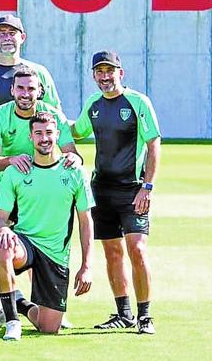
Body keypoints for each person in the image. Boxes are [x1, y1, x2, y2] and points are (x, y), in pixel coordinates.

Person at [71, 51, 161, 334]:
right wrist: (52, 117)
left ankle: (145, 315)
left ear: (121, 73)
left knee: (137, 249)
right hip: (101, 190)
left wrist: (147, 186)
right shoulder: (93, 104)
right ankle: (124, 313)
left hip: (132, 190)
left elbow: (154, 143)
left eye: (110, 71)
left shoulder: (137, 102)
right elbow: (77, 130)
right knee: (112, 252)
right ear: (94, 75)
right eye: (100, 71)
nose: (105, 76)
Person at [0, 112, 94, 341]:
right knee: (2, 247)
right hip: (25, 244)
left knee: (49, 328)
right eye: (38, 133)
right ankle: (11, 321)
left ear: (57, 135)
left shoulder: (75, 172)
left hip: (55, 253)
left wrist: (87, 265)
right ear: (30, 137)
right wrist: (5, 229)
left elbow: (86, 222)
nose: (44, 138)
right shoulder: (15, 172)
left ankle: (19, 302)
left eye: (49, 133)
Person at [0, 14, 61, 146]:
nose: (7, 38)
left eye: (12, 33)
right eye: (2, 34)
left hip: (35, 160)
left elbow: (55, 116)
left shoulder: (39, 73)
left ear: (22, 38)